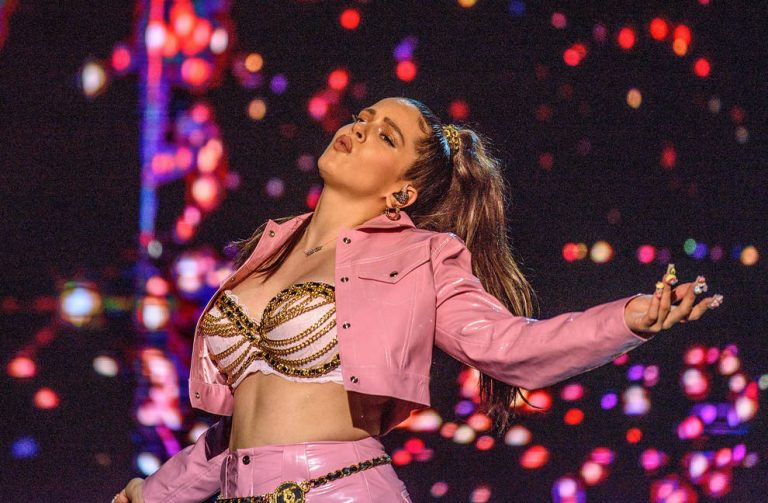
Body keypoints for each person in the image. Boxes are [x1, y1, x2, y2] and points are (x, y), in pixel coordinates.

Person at [116, 97, 723, 503]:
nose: (357, 129)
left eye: (384, 135)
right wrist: (158, 492)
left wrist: (629, 320)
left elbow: (509, 346)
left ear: (403, 192)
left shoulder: (422, 256)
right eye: (362, 118)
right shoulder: (267, 247)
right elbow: (241, 428)